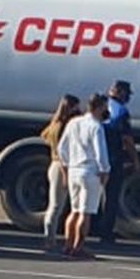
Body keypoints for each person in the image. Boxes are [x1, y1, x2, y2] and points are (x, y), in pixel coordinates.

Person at [57, 93, 110, 259]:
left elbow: (61, 148)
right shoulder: (96, 126)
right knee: (85, 212)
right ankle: (78, 247)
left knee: (74, 210)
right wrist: (105, 171)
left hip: (73, 168)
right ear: (100, 107)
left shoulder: (74, 122)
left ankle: (67, 244)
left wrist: (66, 167)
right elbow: (100, 153)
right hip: (90, 170)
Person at [95, 80, 139, 244]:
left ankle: (89, 227)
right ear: (119, 92)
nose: (127, 97)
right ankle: (105, 232)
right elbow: (127, 139)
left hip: (94, 158)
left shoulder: (99, 106)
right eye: (126, 93)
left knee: (93, 196)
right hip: (112, 158)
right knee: (111, 196)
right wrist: (135, 160)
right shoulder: (121, 112)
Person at [40, 94, 81, 251]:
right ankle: (49, 239)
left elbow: (44, 136)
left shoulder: (55, 123)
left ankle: (50, 238)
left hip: (55, 164)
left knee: (57, 205)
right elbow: (63, 152)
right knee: (56, 206)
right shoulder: (63, 126)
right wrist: (66, 174)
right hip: (60, 166)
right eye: (76, 107)